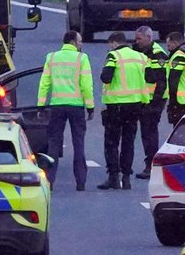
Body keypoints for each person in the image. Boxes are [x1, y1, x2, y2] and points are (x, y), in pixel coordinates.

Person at [38, 30, 94, 191]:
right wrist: (90, 107)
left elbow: (44, 84)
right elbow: (86, 85)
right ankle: (81, 182)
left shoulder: (52, 57)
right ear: (73, 42)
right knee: (79, 144)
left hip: (57, 106)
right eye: (80, 41)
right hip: (76, 107)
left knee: (53, 144)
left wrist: (41, 105)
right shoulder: (82, 58)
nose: (81, 44)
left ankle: (50, 180)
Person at [98, 31, 149, 190]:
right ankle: (126, 178)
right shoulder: (140, 57)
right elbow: (151, 77)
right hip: (135, 106)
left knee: (112, 142)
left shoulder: (113, 56)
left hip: (116, 106)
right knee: (129, 142)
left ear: (113, 43)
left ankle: (114, 177)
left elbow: (106, 77)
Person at [133, 26, 169, 179]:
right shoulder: (138, 51)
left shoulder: (157, 54)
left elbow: (161, 82)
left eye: (139, 39)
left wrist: (153, 103)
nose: (136, 41)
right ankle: (150, 164)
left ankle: (151, 165)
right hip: (142, 98)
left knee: (149, 132)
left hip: (154, 100)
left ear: (149, 38)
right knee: (145, 132)